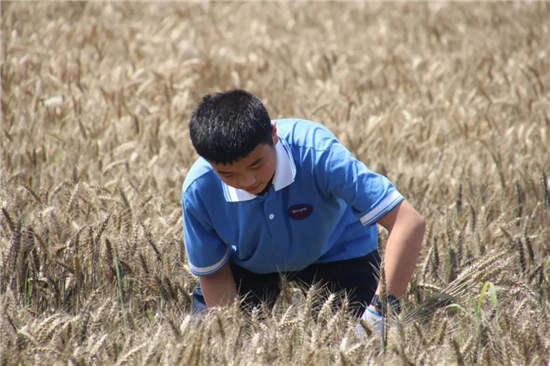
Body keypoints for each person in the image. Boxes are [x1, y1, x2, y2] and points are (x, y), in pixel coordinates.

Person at [181, 89, 426, 330]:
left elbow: (407, 221)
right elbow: (214, 273)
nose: (247, 181)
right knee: (211, 339)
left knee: (364, 344)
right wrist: (230, 335)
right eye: (228, 174)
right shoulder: (198, 189)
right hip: (248, 263)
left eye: (256, 164)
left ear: (274, 134)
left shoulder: (319, 154)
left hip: (337, 250)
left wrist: (381, 310)